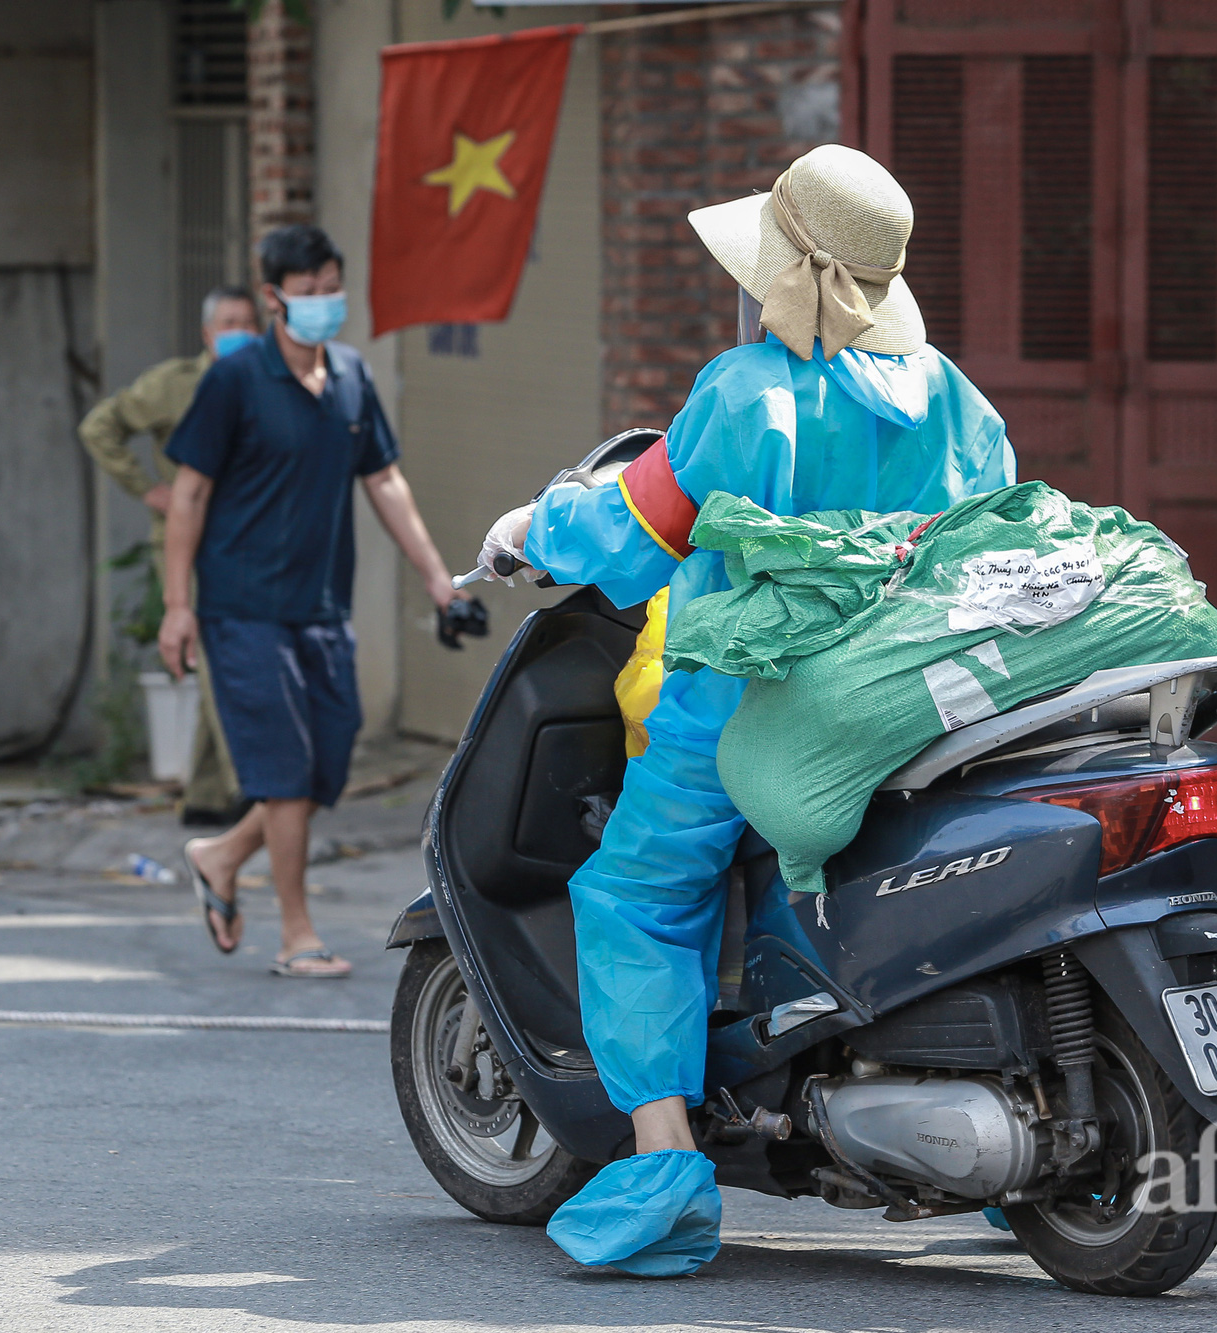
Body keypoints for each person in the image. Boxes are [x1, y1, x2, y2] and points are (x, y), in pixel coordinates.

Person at [476, 144, 1017, 1275]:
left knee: (633, 892)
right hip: (917, 705)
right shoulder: (955, 398)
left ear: (785, 270)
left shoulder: (746, 391)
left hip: (746, 707)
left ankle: (665, 1163)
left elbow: (637, 528)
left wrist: (535, 526)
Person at [160, 225, 468, 977]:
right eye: (309, 291)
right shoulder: (234, 381)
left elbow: (385, 481)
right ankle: (298, 934)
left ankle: (222, 853)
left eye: (333, 286)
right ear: (272, 298)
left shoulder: (353, 378)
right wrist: (178, 603)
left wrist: (437, 576)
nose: (326, 301)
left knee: (328, 761)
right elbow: (189, 494)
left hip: (323, 608)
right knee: (287, 775)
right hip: (242, 607)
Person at [78, 286, 262, 824]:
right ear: (207, 333)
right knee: (219, 657)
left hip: (244, 537)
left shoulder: (264, 385)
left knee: (221, 655)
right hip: (187, 539)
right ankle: (248, 782)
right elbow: (100, 427)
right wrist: (146, 488)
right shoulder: (174, 385)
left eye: (249, 324)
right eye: (230, 323)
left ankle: (206, 798)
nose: (242, 334)